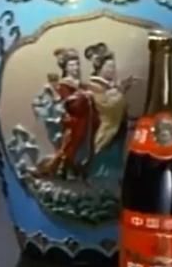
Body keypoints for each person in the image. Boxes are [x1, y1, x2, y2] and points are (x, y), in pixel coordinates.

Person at [39, 48, 99, 179]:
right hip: (73, 121)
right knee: (71, 145)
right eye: (71, 65)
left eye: (77, 64)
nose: (75, 68)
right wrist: (83, 96)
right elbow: (69, 104)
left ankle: (79, 167)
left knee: (84, 145)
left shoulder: (81, 85)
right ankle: (64, 167)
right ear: (65, 67)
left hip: (86, 120)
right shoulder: (64, 85)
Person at [85, 43, 134, 177]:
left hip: (117, 130)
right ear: (100, 68)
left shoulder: (109, 87)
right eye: (109, 67)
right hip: (106, 131)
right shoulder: (94, 86)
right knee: (105, 164)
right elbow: (107, 107)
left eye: (113, 67)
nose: (112, 70)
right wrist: (121, 92)